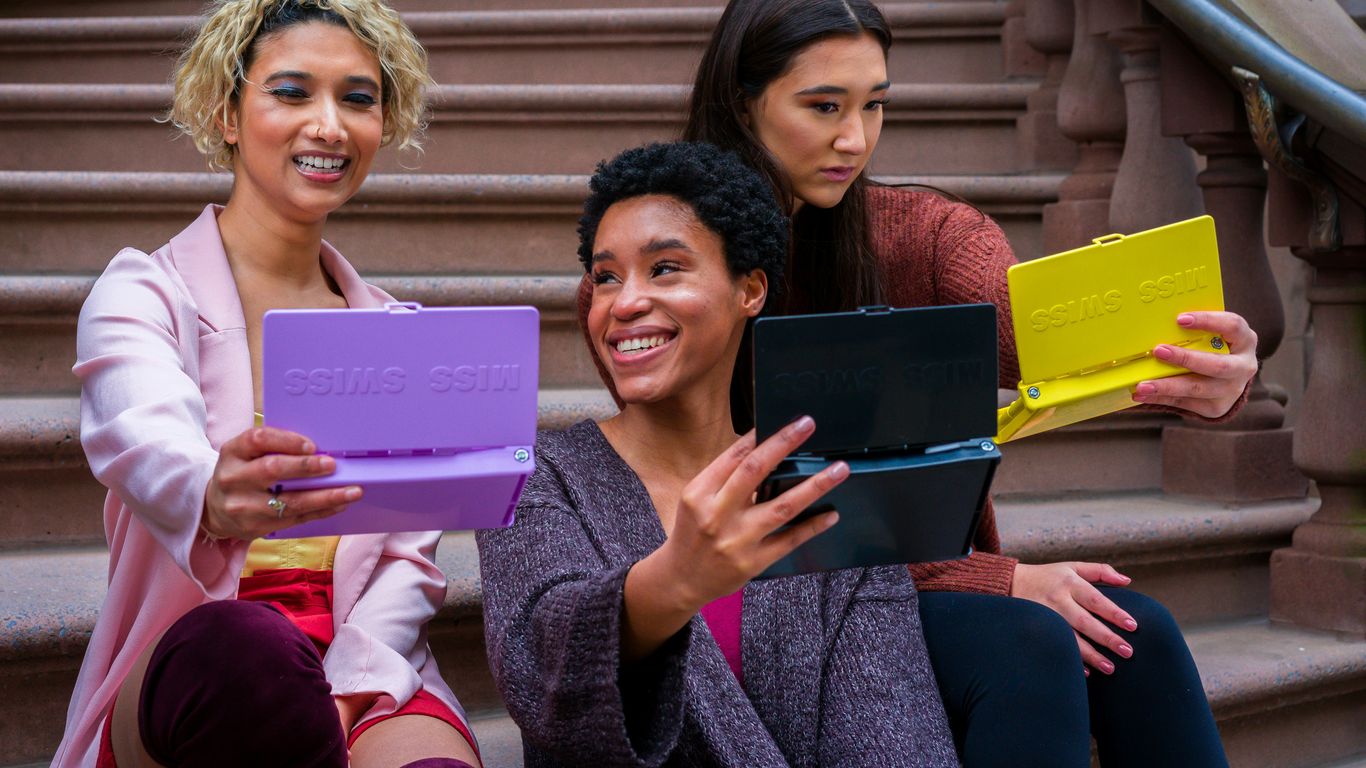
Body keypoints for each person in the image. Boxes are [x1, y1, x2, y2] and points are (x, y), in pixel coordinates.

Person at [572, 1, 1256, 766]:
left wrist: (1198, 366)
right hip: (759, 599)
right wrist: (997, 578)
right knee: (1026, 642)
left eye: (875, 106)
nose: (854, 139)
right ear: (742, 101)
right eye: (824, 106)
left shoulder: (924, 233)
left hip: (909, 577)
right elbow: (704, 494)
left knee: (1135, 633)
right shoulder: (652, 278)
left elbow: (1039, 331)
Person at [57, 2, 481, 766]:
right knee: (248, 654)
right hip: (199, 659)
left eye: (358, 98)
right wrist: (213, 494)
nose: (329, 125)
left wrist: (347, 693)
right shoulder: (143, 293)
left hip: (360, 655)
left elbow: (407, 561)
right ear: (226, 112)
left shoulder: (398, 333)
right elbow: (140, 437)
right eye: (291, 92)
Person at [477, 141, 960, 767]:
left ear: (750, 290)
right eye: (605, 277)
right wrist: (675, 581)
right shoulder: (537, 475)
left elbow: (896, 740)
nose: (623, 303)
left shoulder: (827, 490)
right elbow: (539, 673)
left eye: (666, 268)